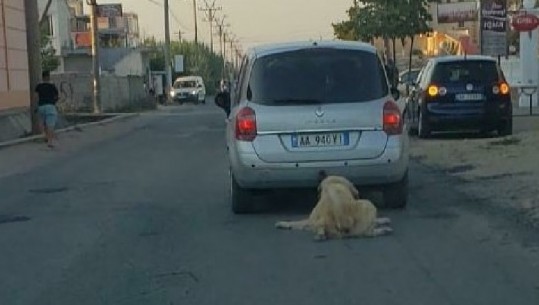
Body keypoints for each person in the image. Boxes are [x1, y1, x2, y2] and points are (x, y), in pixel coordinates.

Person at [35, 71, 59, 148]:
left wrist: (36, 106)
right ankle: (50, 142)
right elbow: (56, 96)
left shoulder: (38, 86)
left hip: (41, 106)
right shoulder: (52, 86)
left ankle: (45, 136)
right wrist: (54, 102)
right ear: (48, 77)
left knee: (42, 122)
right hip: (50, 106)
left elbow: (36, 97)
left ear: (42, 77)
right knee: (50, 124)